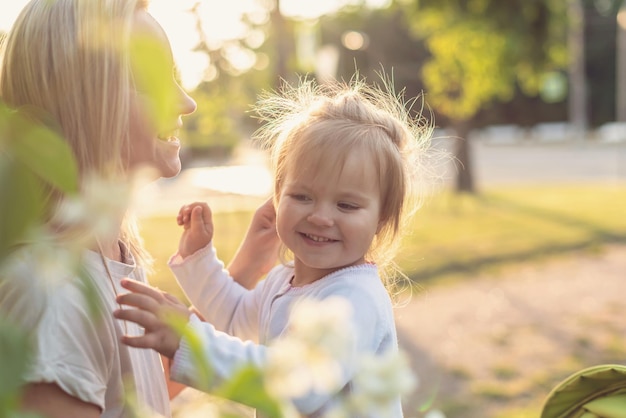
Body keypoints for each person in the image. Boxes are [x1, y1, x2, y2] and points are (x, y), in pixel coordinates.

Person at [0, 1, 278, 417]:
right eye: (154, 78)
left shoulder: (108, 255)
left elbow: (136, 389)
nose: (187, 104)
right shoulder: (53, 297)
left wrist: (244, 269)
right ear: (85, 97)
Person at [114, 76, 432, 416]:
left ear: (381, 219)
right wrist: (199, 259)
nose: (321, 217)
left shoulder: (356, 298)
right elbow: (235, 319)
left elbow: (300, 384)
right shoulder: (284, 282)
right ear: (277, 197)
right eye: (302, 196)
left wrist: (188, 342)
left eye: (347, 206)